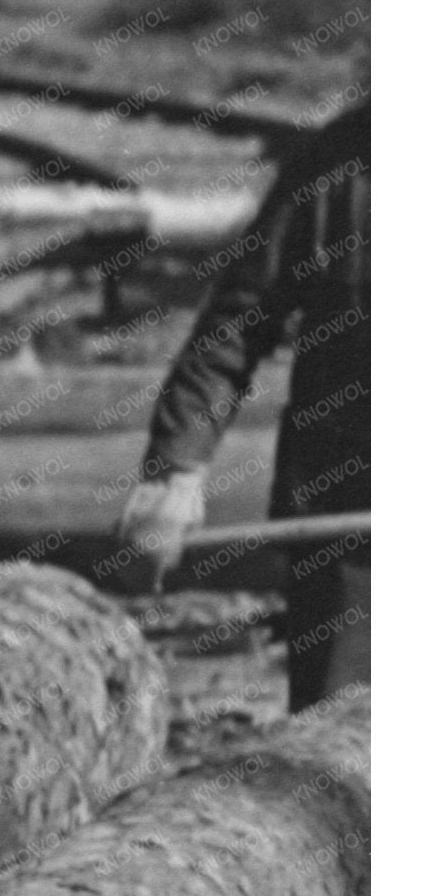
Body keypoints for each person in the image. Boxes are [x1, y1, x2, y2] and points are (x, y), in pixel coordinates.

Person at [126, 99, 370, 709]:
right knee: (341, 752)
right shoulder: (334, 164)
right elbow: (239, 322)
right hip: (349, 520)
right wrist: (176, 471)